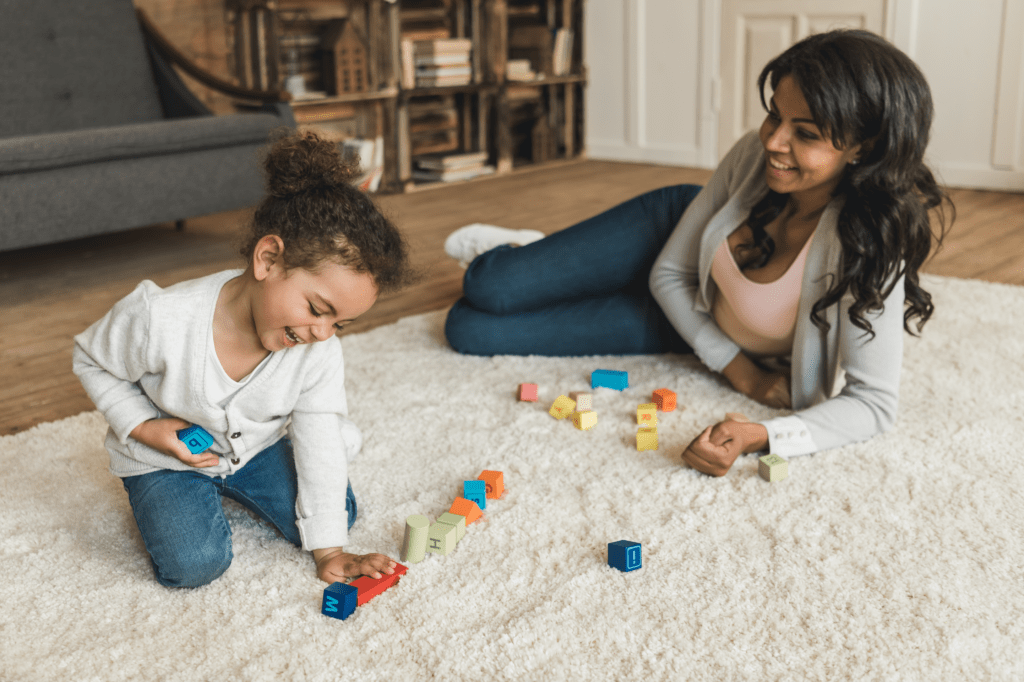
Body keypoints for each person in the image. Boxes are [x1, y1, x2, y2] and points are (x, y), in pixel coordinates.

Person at [443, 29, 953, 476]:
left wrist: (766, 436)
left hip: (682, 321)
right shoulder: (754, 158)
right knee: (489, 284)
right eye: (774, 115)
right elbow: (670, 272)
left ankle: (558, 260)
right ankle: (527, 250)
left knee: (469, 330)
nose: (773, 141)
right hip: (673, 234)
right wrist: (742, 372)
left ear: (862, 147)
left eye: (806, 134)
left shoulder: (870, 248)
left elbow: (874, 403)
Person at [73, 131, 414, 588]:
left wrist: (329, 550)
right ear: (268, 259)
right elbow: (92, 360)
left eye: (340, 324)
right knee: (194, 565)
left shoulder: (319, 350)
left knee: (336, 514)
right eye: (317, 309)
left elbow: (318, 454)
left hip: (256, 446)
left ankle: (332, 434)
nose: (323, 333)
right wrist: (142, 427)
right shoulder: (158, 317)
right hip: (162, 456)